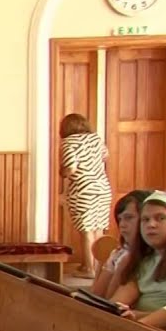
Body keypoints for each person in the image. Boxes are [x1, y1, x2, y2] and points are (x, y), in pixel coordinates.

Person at [58, 113, 113, 278]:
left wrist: (62, 172)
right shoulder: (96, 139)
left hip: (83, 189)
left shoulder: (68, 142)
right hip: (103, 188)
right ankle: (98, 267)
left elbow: (71, 168)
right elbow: (106, 156)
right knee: (98, 229)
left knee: (86, 230)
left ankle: (89, 269)